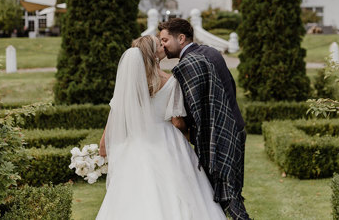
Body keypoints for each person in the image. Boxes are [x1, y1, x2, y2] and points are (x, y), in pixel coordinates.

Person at [96, 35, 226, 220]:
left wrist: (103, 144)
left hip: (138, 141)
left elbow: (116, 114)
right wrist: (190, 135)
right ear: (153, 55)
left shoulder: (130, 82)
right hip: (168, 140)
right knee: (180, 190)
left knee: (135, 194)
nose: (163, 46)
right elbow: (177, 121)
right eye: (159, 45)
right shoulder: (171, 80)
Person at [158, 18, 250, 220]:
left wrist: (189, 132)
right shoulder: (210, 52)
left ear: (181, 38)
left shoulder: (190, 64)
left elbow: (196, 108)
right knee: (232, 191)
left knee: (226, 195)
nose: (163, 45)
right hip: (235, 126)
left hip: (218, 136)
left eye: (165, 40)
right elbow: (229, 89)